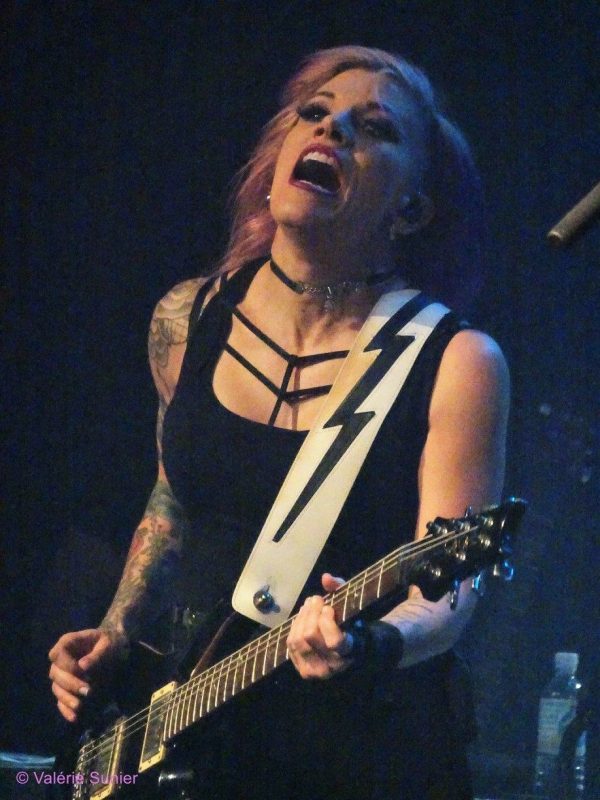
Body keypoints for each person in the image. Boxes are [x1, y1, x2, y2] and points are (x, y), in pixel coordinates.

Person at [48, 46, 509, 799]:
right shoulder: (188, 317)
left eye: (375, 129)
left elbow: (450, 589)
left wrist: (375, 641)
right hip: (200, 730)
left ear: (412, 209)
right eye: (315, 113)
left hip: (361, 751)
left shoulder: (457, 360)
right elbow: (172, 497)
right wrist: (118, 631)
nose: (333, 130)